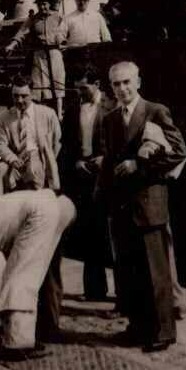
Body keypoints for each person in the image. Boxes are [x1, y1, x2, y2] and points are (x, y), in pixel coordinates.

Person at [96, 61, 186, 353]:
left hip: (148, 203)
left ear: (138, 82)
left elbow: (178, 153)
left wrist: (139, 164)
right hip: (122, 206)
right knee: (130, 271)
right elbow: (109, 162)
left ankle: (163, 331)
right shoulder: (109, 120)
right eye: (116, 84)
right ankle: (137, 327)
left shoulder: (155, 111)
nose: (122, 89)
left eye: (126, 82)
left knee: (156, 273)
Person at [0, 189, 77, 360]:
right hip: (56, 205)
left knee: (19, 277)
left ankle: (17, 344)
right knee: (31, 275)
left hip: (39, 212)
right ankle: (28, 336)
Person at [61, 68, 115, 301]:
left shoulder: (112, 106)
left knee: (113, 234)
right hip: (83, 176)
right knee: (89, 232)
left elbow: (122, 141)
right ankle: (94, 290)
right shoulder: (73, 109)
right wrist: (76, 162)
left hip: (107, 176)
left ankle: (124, 296)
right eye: (76, 88)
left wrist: (106, 158)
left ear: (96, 83)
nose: (79, 92)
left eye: (83, 87)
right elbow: (67, 142)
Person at [0, 74, 62, 202]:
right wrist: (12, 159)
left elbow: (57, 141)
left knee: (35, 168)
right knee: (0, 170)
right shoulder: (4, 118)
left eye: (24, 96)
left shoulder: (48, 114)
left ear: (32, 94)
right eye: (15, 96)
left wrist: (47, 158)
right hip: (15, 160)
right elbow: (0, 144)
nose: (19, 100)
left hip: (38, 158)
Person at [6, 0, 69, 113]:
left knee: (57, 82)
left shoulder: (59, 17)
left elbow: (65, 32)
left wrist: (63, 42)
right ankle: (41, 112)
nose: (42, 7)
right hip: (39, 55)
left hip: (54, 53)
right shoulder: (33, 19)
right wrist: (12, 45)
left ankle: (60, 113)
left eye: (44, 4)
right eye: (39, 4)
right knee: (39, 84)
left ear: (49, 4)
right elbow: (22, 32)